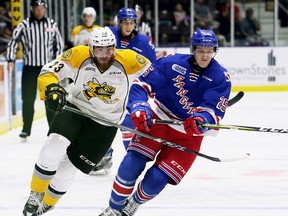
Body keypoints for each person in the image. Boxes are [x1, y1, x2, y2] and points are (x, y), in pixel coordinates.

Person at [99, 28, 232, 216]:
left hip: (188, 133)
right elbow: (141, 85)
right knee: (132, 164)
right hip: (158, 119)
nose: (205, 56)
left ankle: (133, 204)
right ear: (193, 49)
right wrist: (139, 106)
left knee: (158, 178)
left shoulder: (220, 77)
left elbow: (214, 109)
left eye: (209, 51)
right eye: (201, 50)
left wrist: (201, 119)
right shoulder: (171, 62)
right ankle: (113, 209)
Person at [21, 26, 151, 216]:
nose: (105, 54)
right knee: (55, 144)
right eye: (99, 49)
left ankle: (48, 202)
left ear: (115, 47)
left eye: (109, 49)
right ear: (90, 48)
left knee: (70, 166)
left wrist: (148, 105)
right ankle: (36, 193)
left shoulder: (130, 60)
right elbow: (49, 70)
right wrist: (51, 88)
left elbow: (157, 77)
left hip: (106, 124)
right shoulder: (78, 54)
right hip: (77, 109)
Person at [89, 7, 156, 175]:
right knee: (101, 125)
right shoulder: (108, 35)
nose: (128, 26)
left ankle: (132, 159)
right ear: (119, 23)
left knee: (129, 126)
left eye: (131, 23)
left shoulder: (144, 42)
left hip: (130, 90)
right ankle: (105, 156)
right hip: (107, 90)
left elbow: (153, 69)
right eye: (125, 23)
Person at [6, 0, 64, 141]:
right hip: (29, 68)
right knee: (27, 99)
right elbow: (13, 42)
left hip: (47, 69)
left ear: (45, 9)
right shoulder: (24, 25)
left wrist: (58, 65)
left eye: (42, 8)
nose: (39, 11)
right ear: (32, 9)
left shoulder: (52, 24)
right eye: (37, 8)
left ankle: (53, 129)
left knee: (51, 99)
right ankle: (26, 129)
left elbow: (60, 45)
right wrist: (10, 59)